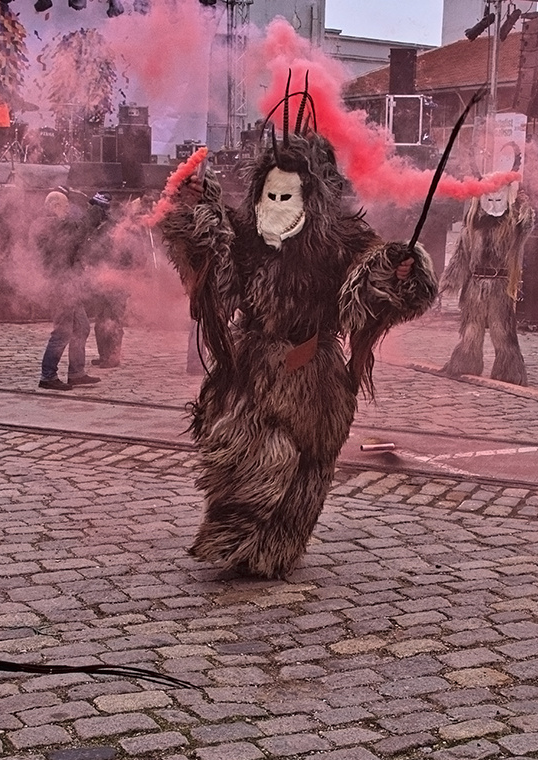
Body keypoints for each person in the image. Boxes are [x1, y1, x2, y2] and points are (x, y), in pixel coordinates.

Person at [158, 82, 437, 578]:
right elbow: (214, 253)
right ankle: (235, 527)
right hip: (255, 366)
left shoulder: (343, 239)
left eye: (289, 195)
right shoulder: (246, 232)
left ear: (314, 196)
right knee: (258, 449)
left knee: (311, 464)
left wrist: (400, 271)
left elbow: (371, 281)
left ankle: (275, 549)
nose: (277, 204)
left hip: (317, 372)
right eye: (270, 193)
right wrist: (198, 210)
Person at [441, 156, 534, 384]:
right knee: (471, 329)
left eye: (498, 199)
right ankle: (466, 362)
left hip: (500, 287)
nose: (493, 204)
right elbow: (461, 256)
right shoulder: (472, 227)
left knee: (503, 331)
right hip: (474, 286)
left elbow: (526, 225)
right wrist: (449, 282)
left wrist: (523, 204)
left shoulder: (511, 225)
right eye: (488, 199)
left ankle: (509, 370)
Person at [36, 187, 107, 390]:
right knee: (62, 332)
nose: (67, 209)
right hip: (60, 286)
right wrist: (94, 210)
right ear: (55, 205)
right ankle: (47, 375)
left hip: (68, 284)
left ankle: (76, 373)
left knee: (81, 328)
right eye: (65, 205)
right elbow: (77, 232)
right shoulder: (49, 224)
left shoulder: (54, 223)